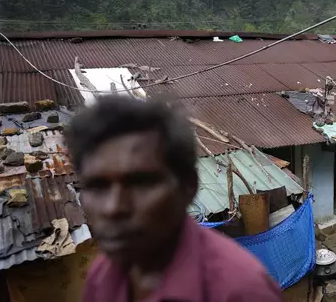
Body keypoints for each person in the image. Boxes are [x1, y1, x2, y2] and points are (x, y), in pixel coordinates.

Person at [65, 96, 282, 302]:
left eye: (141, 183)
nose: (113, 208)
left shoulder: (241, 291)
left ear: (188, 186)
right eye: (97, 186)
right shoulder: (103, 277)